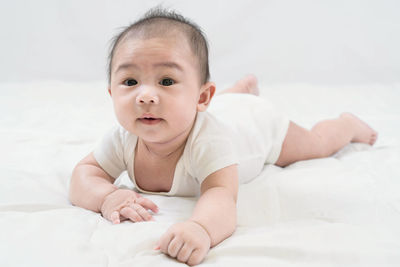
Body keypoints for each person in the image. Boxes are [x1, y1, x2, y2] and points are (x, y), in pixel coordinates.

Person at [69, 7, 378, 266]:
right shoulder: (124, 137)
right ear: (111, 93)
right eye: (130, 80)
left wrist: (201, 228)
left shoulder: (208, 142)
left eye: (166, 80)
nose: (146, 95)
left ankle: (346, 124)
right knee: (220, 108)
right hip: (223, 110)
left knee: (316, 144)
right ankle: (238, 92)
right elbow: (84, 174)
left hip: (257, 128)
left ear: (202, 97)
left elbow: (221, 195)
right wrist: (106, 196)